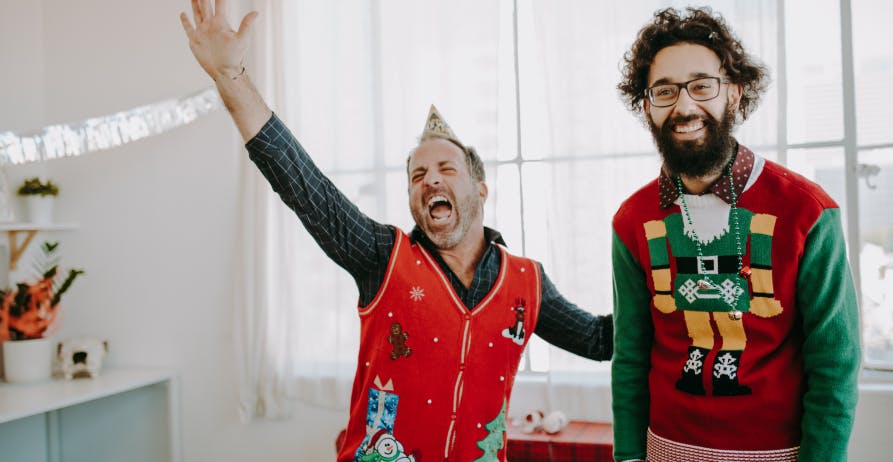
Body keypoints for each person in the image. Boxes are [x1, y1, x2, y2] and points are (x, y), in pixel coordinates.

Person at [178, 1, 612, 461]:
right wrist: (231, 76)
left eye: (447, 168)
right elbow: (302, 184)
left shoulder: (527, 283)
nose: (432, 180)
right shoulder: (384, 256)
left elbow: (601, 340)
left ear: (481, 189)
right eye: (418, 176)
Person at [610, 6, 860, 462]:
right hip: (664, 449)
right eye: (664, 91)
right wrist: (628, 455)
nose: (684, 106)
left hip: (778, 453)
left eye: (702, 86)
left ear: (735, 94)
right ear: (647, 106)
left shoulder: (808, 211)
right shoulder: (630, 220)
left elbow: (835, 365)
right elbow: (630, 355)